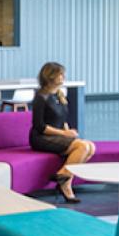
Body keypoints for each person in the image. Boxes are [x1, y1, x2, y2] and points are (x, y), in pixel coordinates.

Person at [29, 62, 96, 203]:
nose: (63, 76)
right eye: (60, 74)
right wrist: (65, 134)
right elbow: (39, 126)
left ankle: (64, 177)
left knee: (90, 147)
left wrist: (68, 130)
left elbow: (61, 119)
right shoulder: (41, 98)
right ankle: (64, 181)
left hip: (57, 135)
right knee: (82, 147)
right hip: (41, 138)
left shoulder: (59, 96)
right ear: (50, 77)